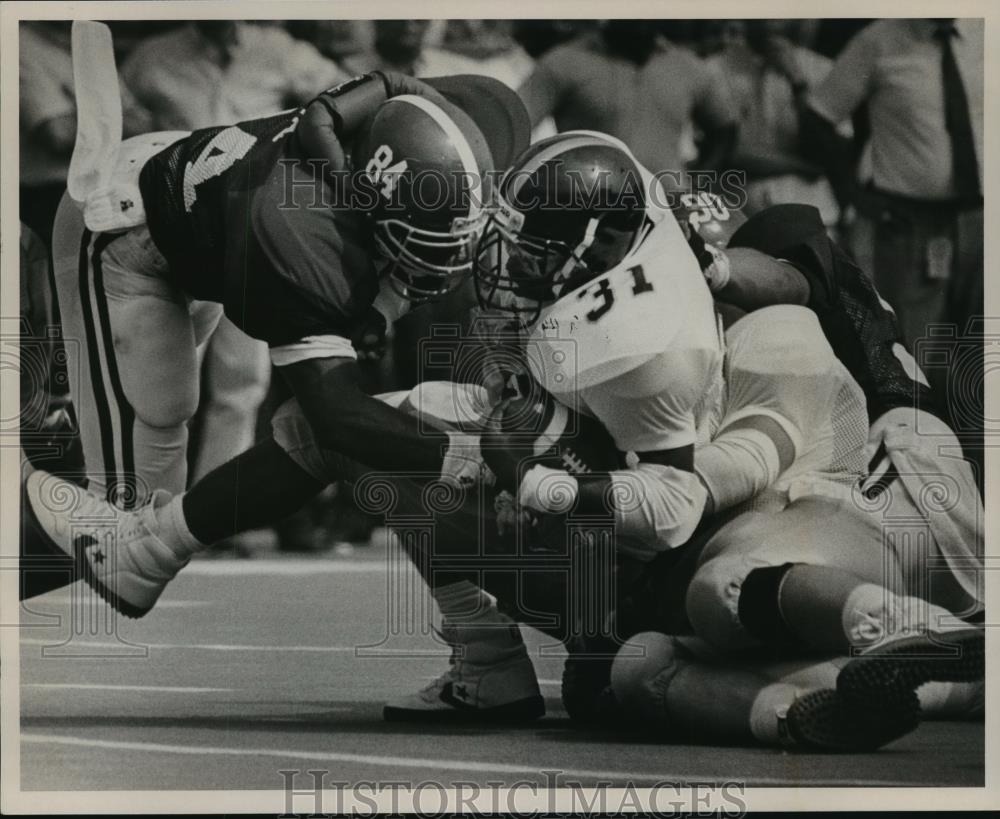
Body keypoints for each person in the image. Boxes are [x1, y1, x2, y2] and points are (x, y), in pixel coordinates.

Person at [26, 68, 531, 616]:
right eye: (418, 245)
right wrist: (472, 458)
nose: (448, 265)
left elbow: (398, 93)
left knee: (139, 513)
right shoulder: (302, 236)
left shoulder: (448, 125)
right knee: (125, 529)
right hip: (130, 230)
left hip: (209, 199)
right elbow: (336, 420)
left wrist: (385, 306)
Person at [802, 19, 984, 469]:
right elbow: (818, 116)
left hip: (981, 217)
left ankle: (980, 465)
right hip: (910, 223)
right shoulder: (879, 40)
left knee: (983, 344)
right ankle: (925, 471)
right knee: (916, 350)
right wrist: (854, 194)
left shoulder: (985, 31)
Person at [516, 21, 739, 189]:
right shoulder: (564, 61)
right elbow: (514, 123)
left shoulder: (686, 65)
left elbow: (725, 128)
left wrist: (700, 180)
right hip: (590, 199)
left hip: (668, 201)